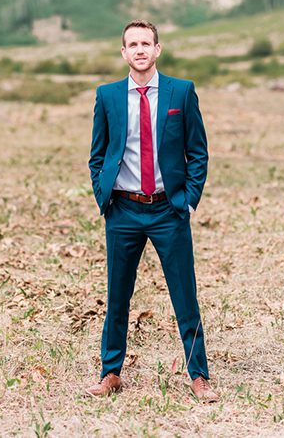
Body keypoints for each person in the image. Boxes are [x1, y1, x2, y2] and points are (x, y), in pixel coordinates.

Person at [85, 20, 218, 402]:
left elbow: (199, 152)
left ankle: (199, 376)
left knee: (185, 296)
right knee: (117, 297)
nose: (140, 49)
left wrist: (188, 199)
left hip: (167, 211)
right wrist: (103, 194)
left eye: (146, 43)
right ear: (123, 52)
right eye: (133, 44)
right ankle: (110, 373)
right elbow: (97, 154)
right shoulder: (108, 96)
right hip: (123, 211)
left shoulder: (181, 92)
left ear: (157, 49)